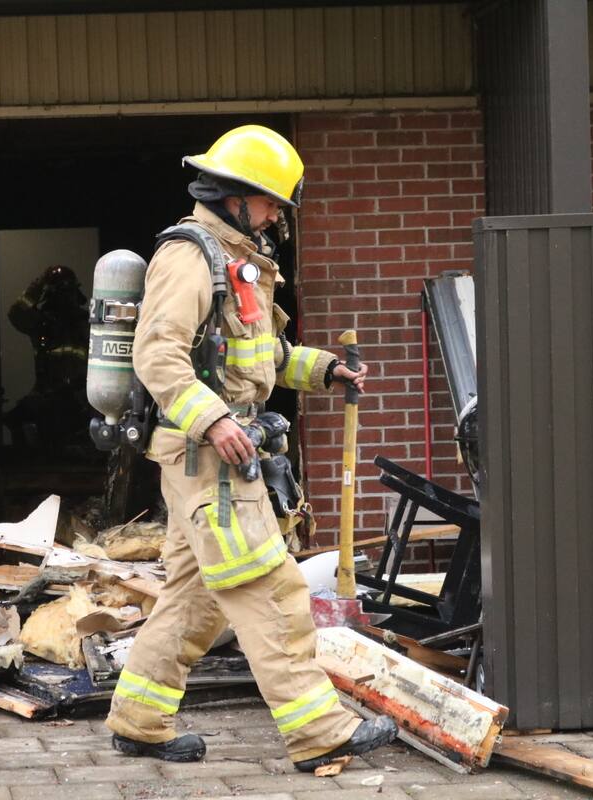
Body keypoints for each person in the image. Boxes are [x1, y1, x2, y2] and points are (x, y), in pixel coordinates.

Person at [104, 125, 396, 771]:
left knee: (195, 597)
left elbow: (264, 356)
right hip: (209, 458)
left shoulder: (241, 262)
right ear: (234, 196)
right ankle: (320, 732)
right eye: (268, 203)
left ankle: (138, 720)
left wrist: (325, 371)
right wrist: (214, 422)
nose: (274, 217)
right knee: (272, 587)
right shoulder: (190, 257)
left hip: (216, 454)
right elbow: (157, 355)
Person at [4, 265, 90, 448]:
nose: (65, 298)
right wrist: (40, 284)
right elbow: (17, 313)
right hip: (48, 398)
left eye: (68, 292)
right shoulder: (43, 323)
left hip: (79, 401)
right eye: (60, 292)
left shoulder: (87, 323)